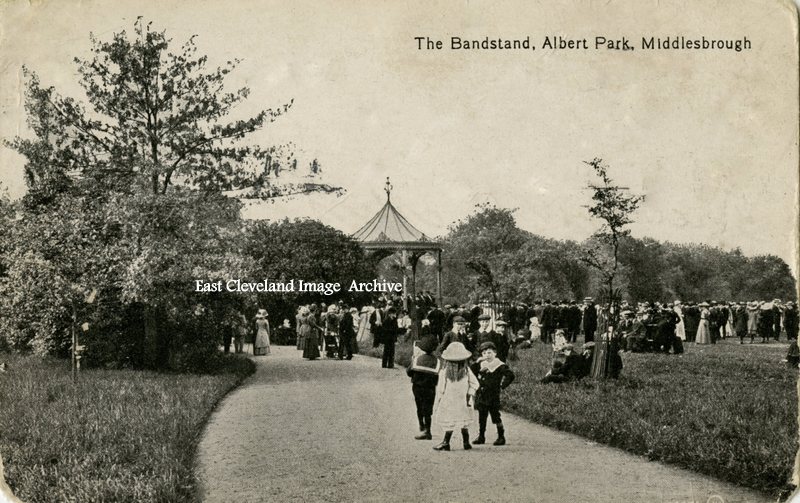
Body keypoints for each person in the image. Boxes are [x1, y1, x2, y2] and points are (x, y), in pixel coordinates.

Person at [432, 342, 479, 451]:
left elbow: (440, 389)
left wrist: (438, 400)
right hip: (457, 400)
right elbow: (475, 384)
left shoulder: (460, 372)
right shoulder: (465, 371)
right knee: (462, 421)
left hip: (454, 400)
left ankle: (447, 442)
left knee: (451, 420)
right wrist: (470, 392)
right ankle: (464, 442)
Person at [470, 342, 515, 446]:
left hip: (493, 395)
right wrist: (477, 362)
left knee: (495, 415)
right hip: (482, 394)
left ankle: (501, 436)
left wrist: (502, 385)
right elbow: (471, 372)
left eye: (489, 352)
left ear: (495, 353)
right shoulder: (481, 364)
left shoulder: (499, 365)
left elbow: (510, 375)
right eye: (484, 353)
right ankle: (481, 436)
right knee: (482, 416)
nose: (487, 355)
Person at [407, 330, 439, 440]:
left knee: (419, 407)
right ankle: (428, 431)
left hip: (417, 387)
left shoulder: (417, 359)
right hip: (430, 389)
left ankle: (421, 425)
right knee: (428, 409)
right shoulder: (437, 361)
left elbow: (409, 372)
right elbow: (438, 376)